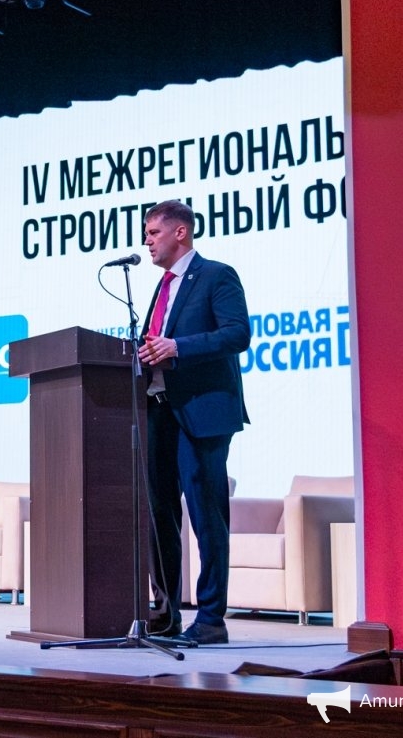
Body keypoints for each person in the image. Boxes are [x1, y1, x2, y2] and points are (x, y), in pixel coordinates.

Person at [137, 199, 250, 645]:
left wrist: (178, 347)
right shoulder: (162, 287)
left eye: (153, 233)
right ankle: (165, 614)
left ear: (180, 232)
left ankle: (210, 619)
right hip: (158, 410)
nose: (147, 241)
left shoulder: (216, 275)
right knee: (159, 514)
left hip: (202, 413)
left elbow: (237, 333)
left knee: (206, 516)